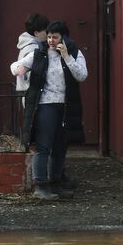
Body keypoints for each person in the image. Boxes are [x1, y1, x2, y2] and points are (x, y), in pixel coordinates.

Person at [20, 21, 88, 201]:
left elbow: (82, 75)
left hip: (66, 105)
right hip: (45, 104)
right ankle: (41, 186)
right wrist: (20, 69)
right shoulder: (40, 53)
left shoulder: (74, 53)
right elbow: (16, 66)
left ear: (64, 38)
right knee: (43, 146)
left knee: (60, 147)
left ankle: (55, 183)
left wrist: (67, 57)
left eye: (55, 37)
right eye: (49, 36)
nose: (51, 40)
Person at [10, 13, 49, 102]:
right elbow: (31, 75)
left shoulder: (29, 45)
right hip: (33, 96)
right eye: (46, 31)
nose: (48, 34)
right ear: (36, 33)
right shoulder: (33, 48)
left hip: (29, 94)